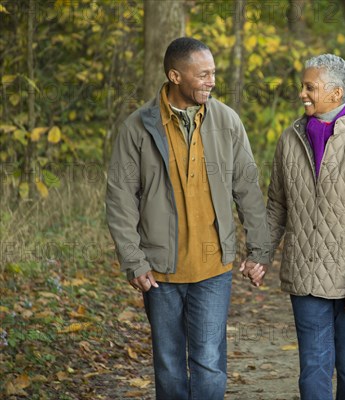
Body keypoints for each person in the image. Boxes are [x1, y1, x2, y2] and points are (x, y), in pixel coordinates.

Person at [105, 37, 269, 400]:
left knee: (209, 362)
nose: (212, 81)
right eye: (204, 74)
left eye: (214, 73)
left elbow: (247, 189)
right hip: (160, 272)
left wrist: (259, 250)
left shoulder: (226, 121)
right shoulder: (138, 128)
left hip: (213, 268)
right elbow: (120, 200)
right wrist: (133, 260)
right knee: (168, 364)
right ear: (175, 75)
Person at [266, 54, 345, 400]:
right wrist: (259, 256)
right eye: (303, 86)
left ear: (336, 93)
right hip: (306, 276)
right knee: (313, 369)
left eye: (310, 87)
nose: (302, 93)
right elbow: (277, 204)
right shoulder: (289, 139)